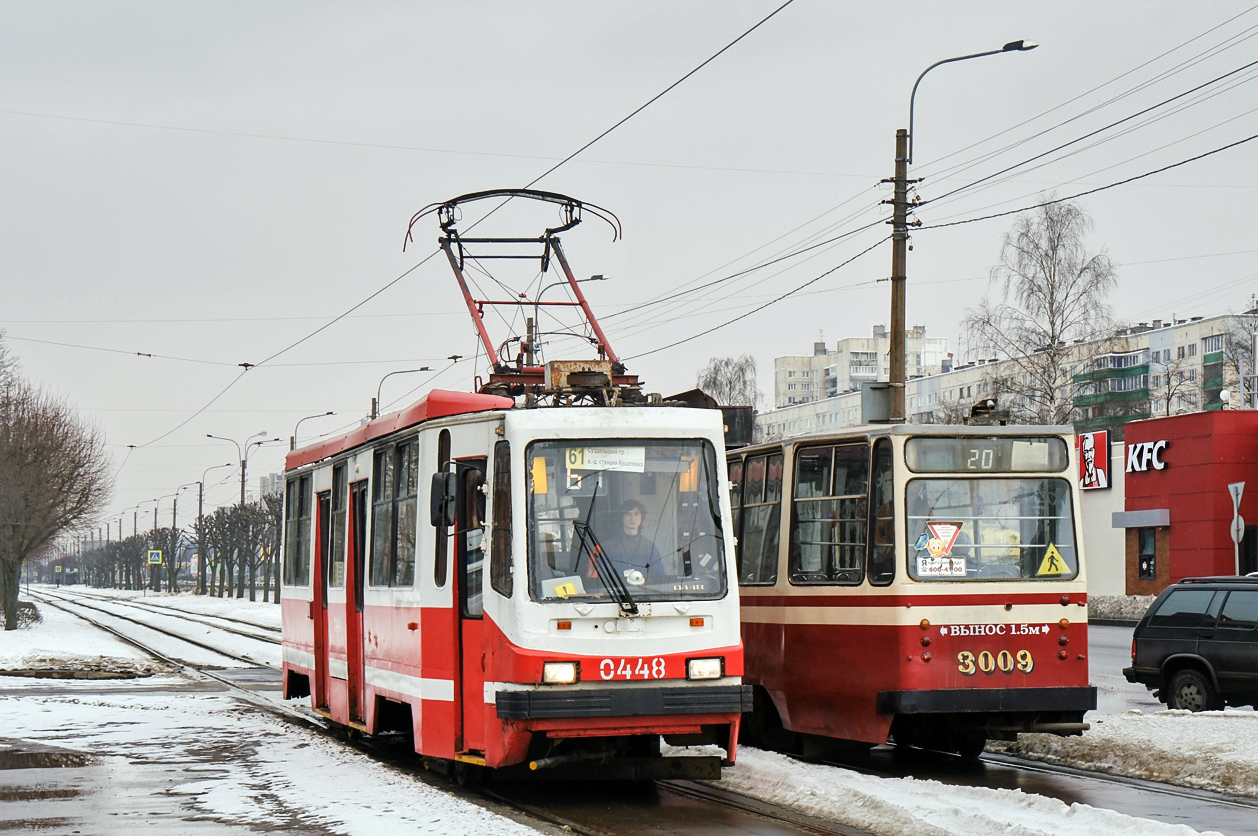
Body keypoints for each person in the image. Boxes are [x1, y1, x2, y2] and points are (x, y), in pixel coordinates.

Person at [603, 500, 663, 584]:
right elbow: (603, 578)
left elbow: (659, 577)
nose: (633, 518)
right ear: (621, 518)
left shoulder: (649, 546)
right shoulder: (608, 546)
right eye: (628, 514)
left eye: (636, 514)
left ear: (642, 517)